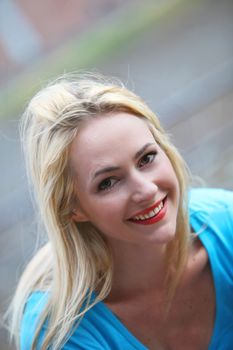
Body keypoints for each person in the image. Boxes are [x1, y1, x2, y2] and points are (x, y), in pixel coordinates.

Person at [8, 72, 233, 350]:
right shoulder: (62, 333)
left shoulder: (227, 224)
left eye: (147, 158)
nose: (147, 190)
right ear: (72, 208)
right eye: (108, 183)